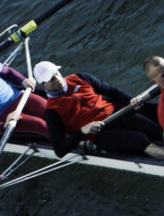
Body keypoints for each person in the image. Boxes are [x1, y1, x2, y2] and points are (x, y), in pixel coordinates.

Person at [28, 60, 156, 157]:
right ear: (42, 85)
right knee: (141, 140)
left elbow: (111, 91)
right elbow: (59, 150)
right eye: (51, 79)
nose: (58, 79)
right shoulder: (51, 112)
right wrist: (82, 132)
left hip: (116, 114)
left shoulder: (80, 77)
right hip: (100, 134)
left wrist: (131, 101)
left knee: (154, 129)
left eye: (56, 73)